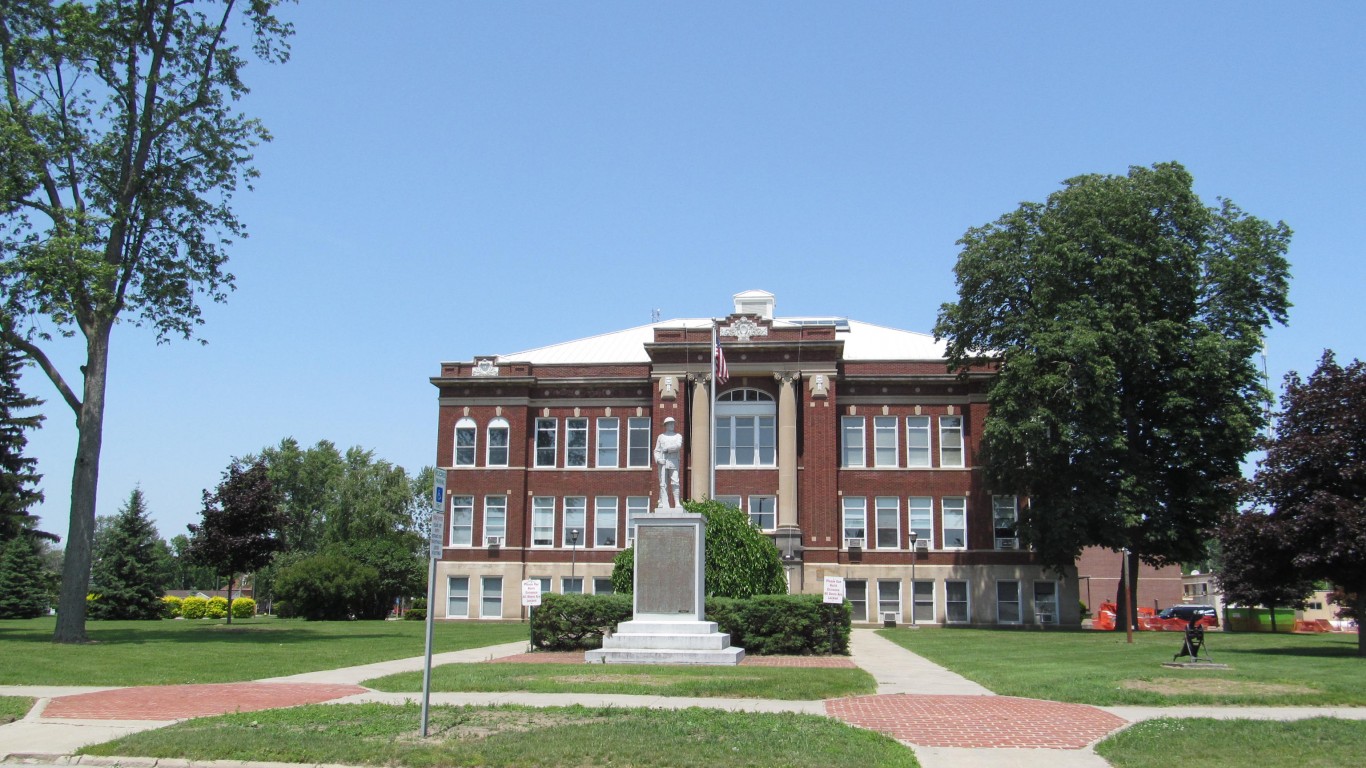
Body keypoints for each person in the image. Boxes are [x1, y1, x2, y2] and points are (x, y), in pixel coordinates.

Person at [654, 417, 683, 509]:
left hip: (674, 461)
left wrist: (667, 449)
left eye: (673, 424)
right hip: (663, 462)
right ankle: (662, 501)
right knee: (663, 483)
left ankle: (677, 502)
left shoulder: (678, 436)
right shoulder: (660, 437)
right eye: (670, 424)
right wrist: (658, 459)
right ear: (665, 425)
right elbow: (656, 450)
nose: (672, 425)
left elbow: (678, 446)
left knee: (675, 482)